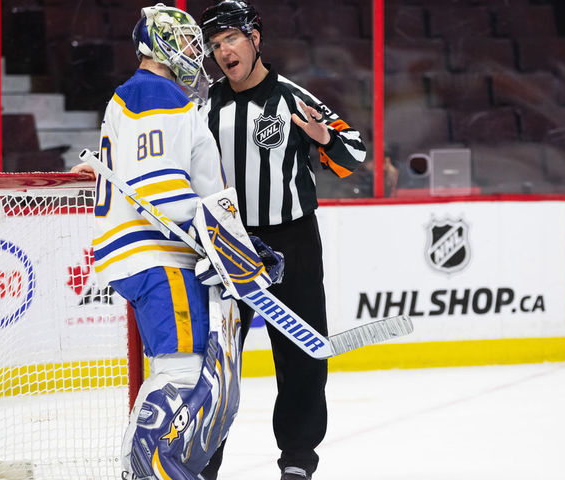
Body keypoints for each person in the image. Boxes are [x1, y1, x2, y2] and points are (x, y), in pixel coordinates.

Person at [197, 2, 367, 480]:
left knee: (300, 354)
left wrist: (325, 140)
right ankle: (204, 460)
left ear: (255, 38)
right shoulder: (206, 103)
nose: (222, 51)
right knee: (219, 359)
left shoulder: (293, 97)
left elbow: (353, 152)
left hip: (292, 242)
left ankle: (297, 460)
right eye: (214, 45)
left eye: (230, 38)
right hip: (228, 241)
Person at [83, 5, 243, 479]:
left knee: (181, 370)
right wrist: (224, 244)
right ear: (163, 44)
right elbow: (161, 191)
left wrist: (234, 240)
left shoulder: (149, 94)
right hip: (158, 252)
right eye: (191, 43)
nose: (199, 53)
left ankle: (144, 470)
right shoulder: (155, 92)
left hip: (153, 253)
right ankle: (148, 469)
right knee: (182, 372)